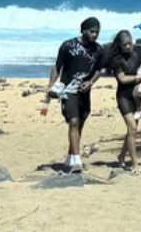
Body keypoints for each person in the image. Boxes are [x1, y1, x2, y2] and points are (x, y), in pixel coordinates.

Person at [41, 17, 103, 173]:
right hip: (67, 91)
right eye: (92, 31)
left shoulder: (98, 49)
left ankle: (70, 158)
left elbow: (99, 70)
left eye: (97, 32)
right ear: (83, 30)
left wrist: (91, 82)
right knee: (73, 122)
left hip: (84, 93)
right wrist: (50, 87)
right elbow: (57, 67)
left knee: (79, 124)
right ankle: (76, 159)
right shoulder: (68, 45)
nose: (95, 35)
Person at [103, 30, 141, 171]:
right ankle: (134, 163)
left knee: (132, 130)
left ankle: (121, 156)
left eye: (130, 43)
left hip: (136, 96)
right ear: (119, 45)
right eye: (125, 44)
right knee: (132, 127)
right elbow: (122, 79)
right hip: (123, 97)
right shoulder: (116, 60)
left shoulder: (137, 54)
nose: (128, 46)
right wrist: (138, 77)